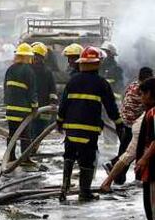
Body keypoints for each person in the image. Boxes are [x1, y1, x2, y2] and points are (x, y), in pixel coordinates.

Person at [57, 46, 123, 202]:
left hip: (71, 129)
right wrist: (119, 124)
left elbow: (64, 104)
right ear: (97, 63)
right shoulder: (101, 83)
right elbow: (111, 106)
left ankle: (64, 188)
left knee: (69, 156)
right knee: (87, 160)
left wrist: (59, 121)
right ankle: (84, 192)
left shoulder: (72, 81)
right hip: (89, 130)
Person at [103, 67, 152, 184]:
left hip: (124, 121)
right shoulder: (144, 91)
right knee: (131, 151)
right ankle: (115, 169)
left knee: (127, 150)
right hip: (133, 124)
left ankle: (118, 175)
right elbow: (148, 106)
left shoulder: (133, 85)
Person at [4, 43, 38, 163]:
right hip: (23, 110)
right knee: (25, 135)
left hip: (10, 108)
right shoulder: (28, 70)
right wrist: (35, 106)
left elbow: (5, 88)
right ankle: (25, 158)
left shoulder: (10, 69)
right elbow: (32, 90)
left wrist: (7, 104)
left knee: (12, 134)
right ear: (27, 56)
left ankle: (10, 157)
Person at [133, 77, 155, 220]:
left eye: (142, 94)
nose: (141, 98)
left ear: (150, 94)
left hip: (153, 169)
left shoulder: (153, 113)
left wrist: (144, 160)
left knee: (152, 207)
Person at [100, 114, 144, 192]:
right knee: (128, 155)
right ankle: (108, 182)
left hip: (137, 124)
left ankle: (108, 181)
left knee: (128, 155)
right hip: (142, 127)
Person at [31, 42, 58, 145]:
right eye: (34, 56)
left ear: (42, 58)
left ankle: (35, 146)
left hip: (44, 107)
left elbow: (52, 89)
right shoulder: (28, 70)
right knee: (30, 129)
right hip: (31, 106)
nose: (35, 59)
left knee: (41, 128)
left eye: (37, 57)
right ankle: (30, 148)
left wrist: (53, 102)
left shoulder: (47, 72)